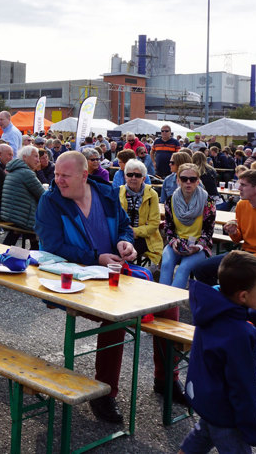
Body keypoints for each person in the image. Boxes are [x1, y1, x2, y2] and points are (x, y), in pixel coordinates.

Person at [35, 151, 186, 423]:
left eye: (64, 175)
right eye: (56, 174)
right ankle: (105, 393)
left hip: (115, 272)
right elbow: (52, 245)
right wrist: (97, 258)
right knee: (115, 317)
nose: (57, 180)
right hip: (78, 278)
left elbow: (125, 227)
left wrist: (124, 242)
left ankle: (166, 380)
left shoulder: (105, 193)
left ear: (84, 175)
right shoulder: (50, 201)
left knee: (169, 306)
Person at [182, 251, 256, 453]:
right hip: (227, 414)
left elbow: (237, 310)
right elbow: (243, 384)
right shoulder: (239, 333)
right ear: (243, 296)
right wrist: (251, 426)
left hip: (208, 397)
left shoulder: (211, 308)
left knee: (201, 436)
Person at [192, 169, 256, 343]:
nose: (239, 188)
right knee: (201, 269)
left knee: (246, 279)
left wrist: (253, 257)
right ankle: (221, 309)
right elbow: (240, 238)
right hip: (245, 254)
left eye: (243, 185)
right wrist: (233, 232)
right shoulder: (242, 205)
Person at [160, 163, 216, 289]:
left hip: (199, 245)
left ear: (198, 181)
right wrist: (173, 241)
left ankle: (169, 306)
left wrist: (198, 246)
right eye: (184, 179)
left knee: (183, 269)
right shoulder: (170, 200)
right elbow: (168, 227)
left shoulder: (208, 201)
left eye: (193, 179)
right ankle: (162, 304)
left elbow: (208, 231)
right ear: (178, 180)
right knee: (166, 264)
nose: (188, 182)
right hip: (177, 242)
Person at [117, 159, 163, 266]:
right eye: (130, 174)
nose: (133, 178)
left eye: (137, 175)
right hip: (121, 235)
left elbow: (154, 223)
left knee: (125, 254)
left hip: (145, 237)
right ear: (125, 177)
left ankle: (129, 276)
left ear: (143, 178)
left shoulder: (152, 194)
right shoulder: (118, 192)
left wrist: (135, 232)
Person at [1, 146, 44, 249]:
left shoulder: (14, 170)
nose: (38, 160)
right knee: (47, 225)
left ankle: (33, 250)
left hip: (12, 213)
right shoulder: (26, 173)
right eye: (35, 156)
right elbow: (42, 194)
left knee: (23, 234)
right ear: (25, 157)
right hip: (20, 217)